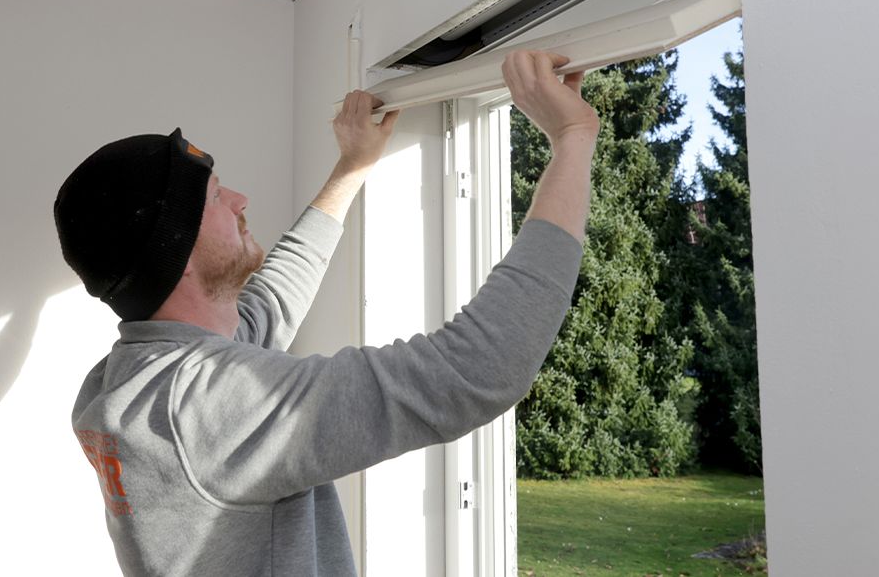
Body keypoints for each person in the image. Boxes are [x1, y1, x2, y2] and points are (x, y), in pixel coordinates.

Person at [53, 50, 600, 576]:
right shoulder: (205, 409)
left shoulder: (128, 381)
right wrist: (572, 140)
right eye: (216, 197)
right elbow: (475, 368)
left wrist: (351, 167)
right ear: (175, 252)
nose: (240, 200)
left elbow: (268, 306)